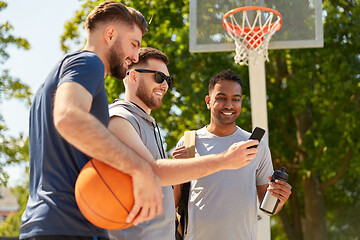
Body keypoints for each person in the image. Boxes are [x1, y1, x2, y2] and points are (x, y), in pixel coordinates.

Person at [19, 2, 164, 240]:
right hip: (69, 226)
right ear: (110, 34)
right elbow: (69, 118)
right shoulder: (89, 62)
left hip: (46, 224)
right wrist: (139, 169)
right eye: (134, 44)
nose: (136, 56)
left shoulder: (55, 77)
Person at [106, 47, 260, 240]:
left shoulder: (147, 124)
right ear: (134, 76)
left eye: (168, 80)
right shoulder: (120, 118)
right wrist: (224, 160)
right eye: (159, 77)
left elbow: (160, 191)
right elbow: (153, 171)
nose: (165, 85)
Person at [172, 69, 292, 240]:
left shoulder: (256, 146)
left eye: (235, 99)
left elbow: (268, 207)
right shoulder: (188, 143)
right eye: (221, 98)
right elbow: (172, 203)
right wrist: (176, 172)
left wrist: (280, 198)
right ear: (208, 101)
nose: (229, 105)